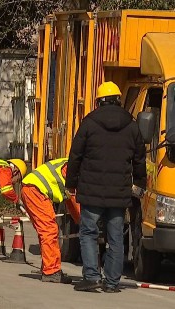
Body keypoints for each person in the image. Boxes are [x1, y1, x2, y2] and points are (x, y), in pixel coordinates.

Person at [65, 81, 146, 293]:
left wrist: (71, 184)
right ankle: (112, 282)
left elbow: (75, 156)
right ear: (119, 99)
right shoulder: (132, 125)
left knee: (89, 233)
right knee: (116, 237)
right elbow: (139, 159)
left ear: (99, 101)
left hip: (91, 191)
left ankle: (92, 276)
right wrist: (139, 183)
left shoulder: (89, 123)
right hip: (119, 192)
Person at [20, 157, 81, 284]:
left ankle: (49, 268)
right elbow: (73, 196)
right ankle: (51, 271)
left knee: (47, 231)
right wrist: (85, 222)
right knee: (49, 230)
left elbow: (70, 199)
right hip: (35, 191)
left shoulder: (70, 165)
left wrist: (79, 220)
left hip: (32, 189)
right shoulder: (73, 168)